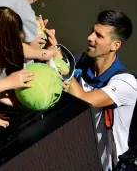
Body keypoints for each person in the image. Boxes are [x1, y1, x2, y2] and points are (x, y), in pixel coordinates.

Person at [46, 10, 137, 171]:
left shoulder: (126, 83)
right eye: (92, 31)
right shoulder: (80, 62)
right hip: (77, 158)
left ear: (115, 45)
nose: (90, 37)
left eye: (99, 36)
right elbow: (55, 75)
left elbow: (84, 100)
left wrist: (60, 60)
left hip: (109, 167)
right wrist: (47, 47)